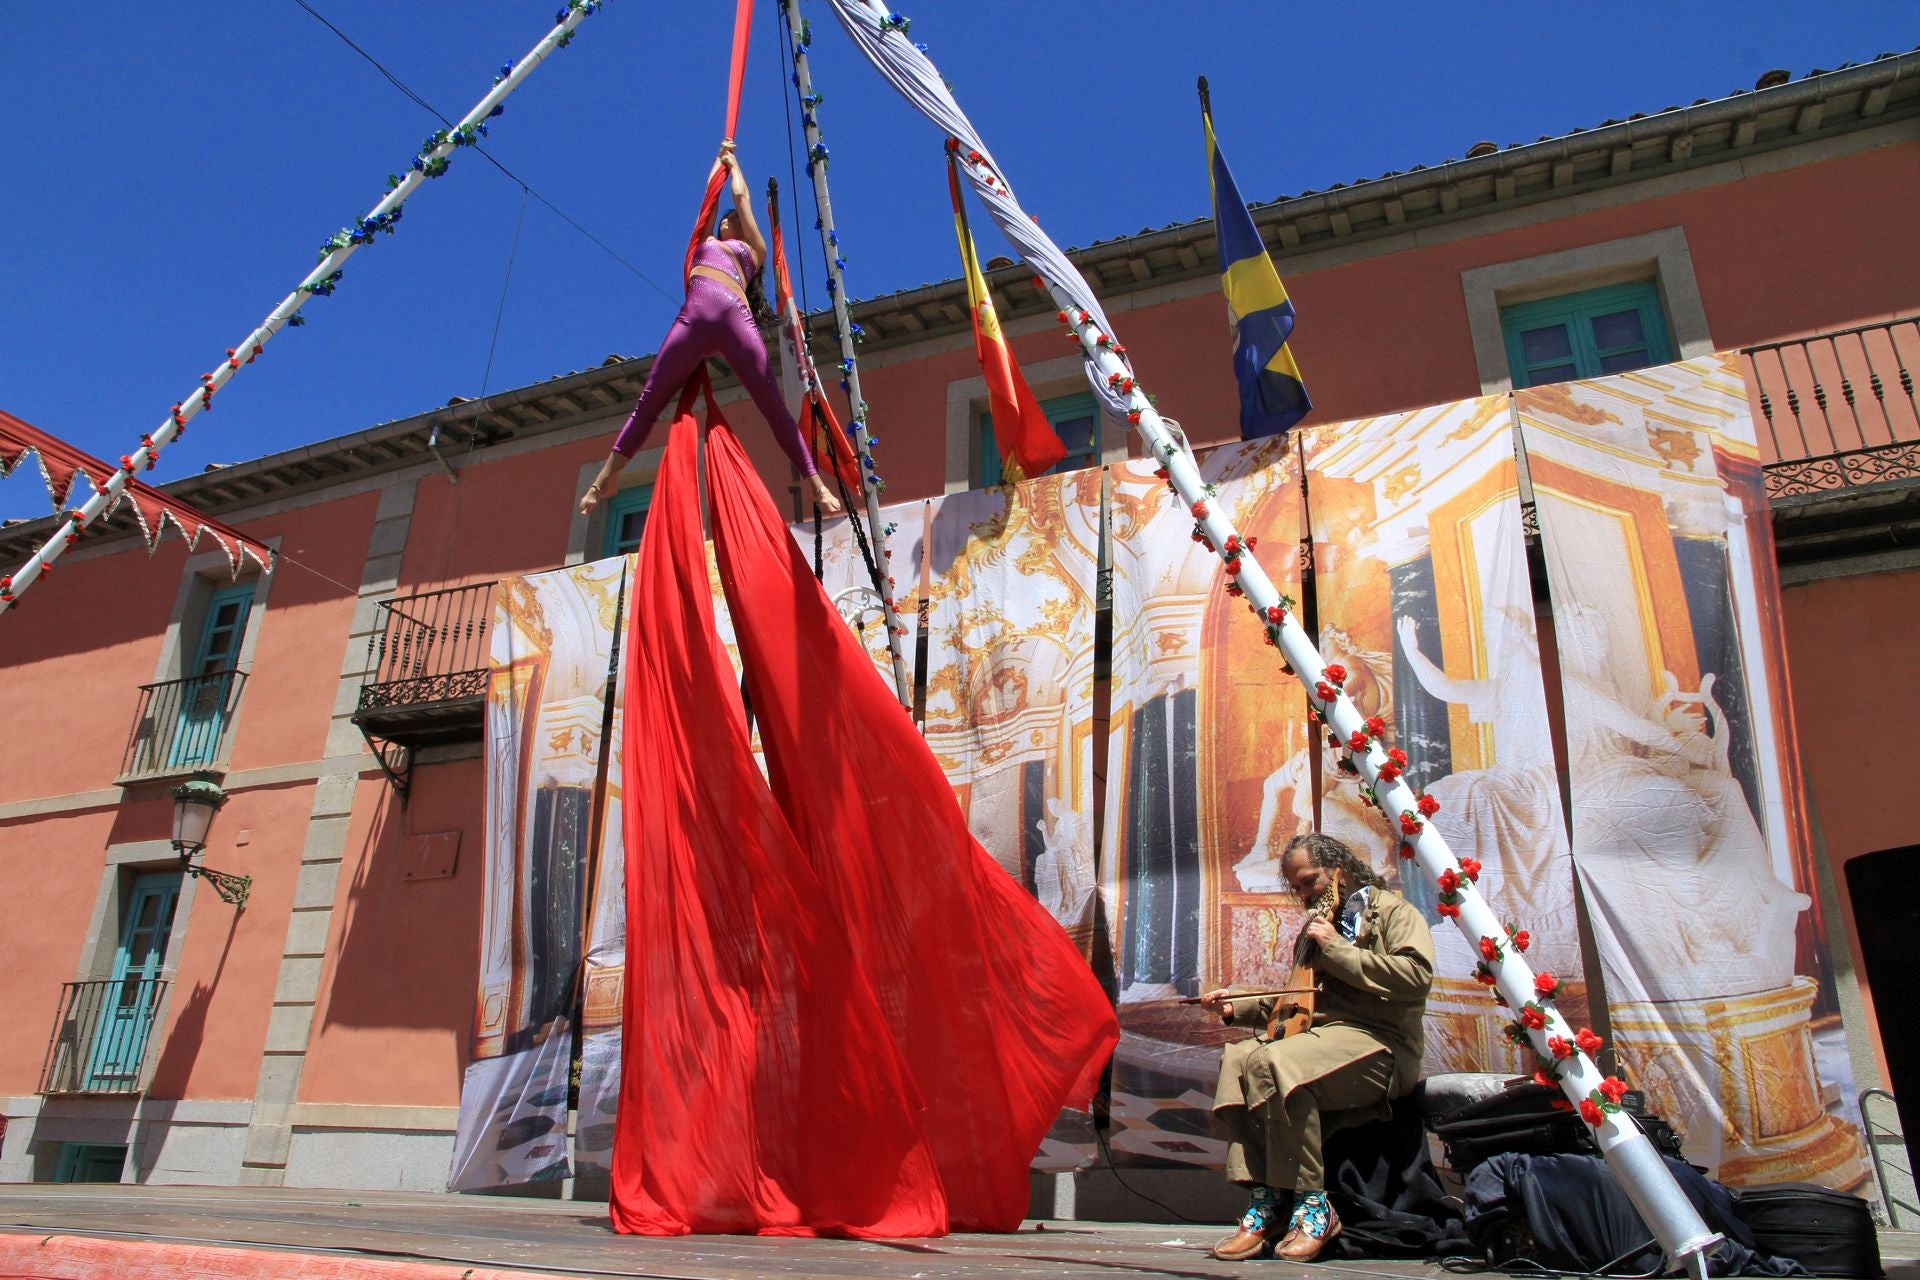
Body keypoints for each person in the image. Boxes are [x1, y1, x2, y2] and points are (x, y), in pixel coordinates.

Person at [1199, 832, 1435, 1262]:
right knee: (1239, 1058)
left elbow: (1415, 978)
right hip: (1322, 1042)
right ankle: (1267, 1201)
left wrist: (1337, 949)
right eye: (1298, 887)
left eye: (1310, 881)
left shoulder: (1391, 912)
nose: (1305, 893)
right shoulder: (1316, 931)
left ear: (1339, 870)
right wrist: (1236, 1006)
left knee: (1273, 1062)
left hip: (1381, 1044)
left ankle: (1312, 1204)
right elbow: (1299, 1003)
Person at [580, 141, 842, 519]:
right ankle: (603, 479)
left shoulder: (754, 250)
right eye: (724, 218)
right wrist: (717, 162)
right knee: (650, 399)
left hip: (736, 318)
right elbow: (711, 197)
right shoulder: (703, 243)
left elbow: (740, 195)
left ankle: (815, 483)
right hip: (694, 321)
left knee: (774, 407)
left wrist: (733, 163)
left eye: (731, 218)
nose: (726, 219)